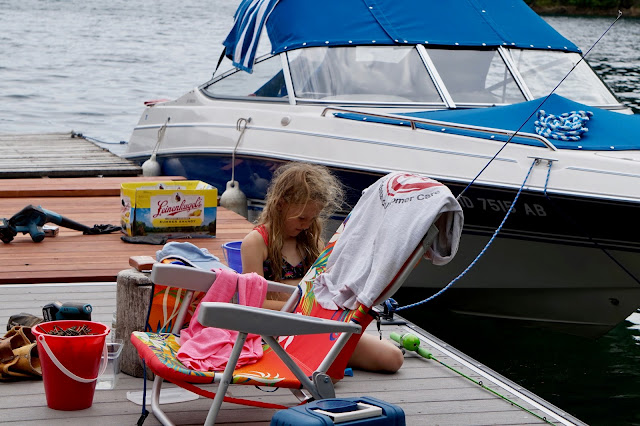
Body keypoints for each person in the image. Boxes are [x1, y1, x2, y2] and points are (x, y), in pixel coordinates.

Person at [241, 162, 404, 373]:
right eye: (301, 218)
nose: (306, 225)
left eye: (312, 219)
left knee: (393, 358)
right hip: (278, 330)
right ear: (280, 204)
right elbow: (253, 304)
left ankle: (329, 355)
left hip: (317, 325)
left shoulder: (310, 242)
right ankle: (326, 357)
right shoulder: (256, 243)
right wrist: (301, 309)